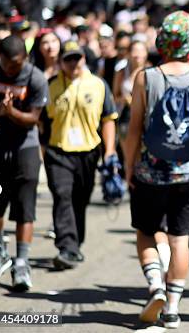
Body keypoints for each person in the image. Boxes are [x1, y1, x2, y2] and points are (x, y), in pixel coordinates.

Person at [124, 11, 189, 328]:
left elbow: (134, 130)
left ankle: (155, 286)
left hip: (150, 173)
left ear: (162, 42)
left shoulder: (145, 77)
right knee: (180, 240)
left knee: (147, 233)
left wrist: (129, 168)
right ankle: (174, 307)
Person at [44, 40, 118, 270]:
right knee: (62, 194)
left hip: (88, 152)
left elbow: (108, 119)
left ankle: (75, 243)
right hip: (58, 151)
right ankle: (67, 246)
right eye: (68, 59)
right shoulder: (51, 86)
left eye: (78, 57)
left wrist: (109, 152)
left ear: (84, 59)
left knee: (80, 199)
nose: (74, 62)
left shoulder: (98, 85)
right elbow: (42, 122)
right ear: (61, 62)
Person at [0, 36, 48, 291]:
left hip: (25, 148)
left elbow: (33, 118)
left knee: (25, 208)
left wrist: (10, 112)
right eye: (7, 65)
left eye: (16, 65)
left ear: (24, 59)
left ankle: (22, 263)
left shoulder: (35, 78)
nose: (11, 70)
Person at [113, 40, 150, 156]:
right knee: (128, 154)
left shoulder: (152, 72)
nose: (138, 54)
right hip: (126, 116)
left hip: (146, 117)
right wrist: (125, 99)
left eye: (141, 50)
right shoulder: (122, 73)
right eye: (135, 51)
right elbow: (115, 96)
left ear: (146, 53)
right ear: (128, 53)